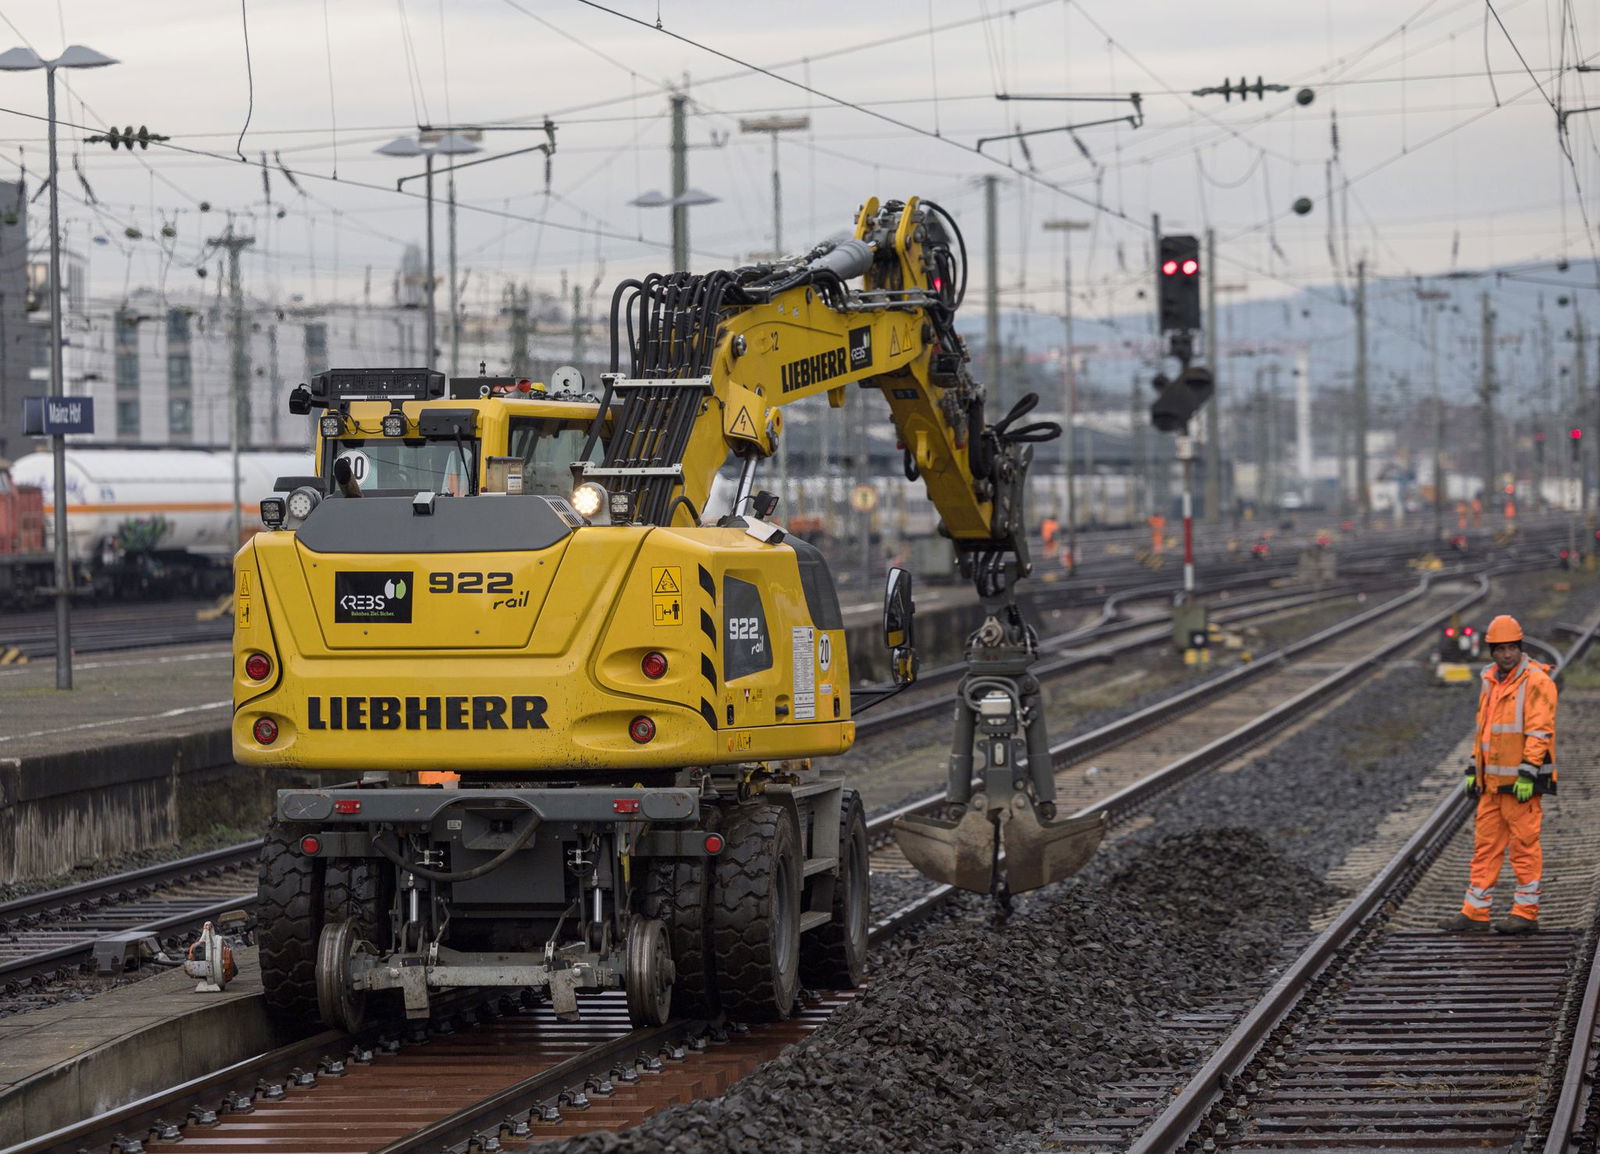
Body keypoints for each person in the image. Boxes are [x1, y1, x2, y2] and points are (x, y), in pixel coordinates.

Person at [1440, 614, 1557, 934]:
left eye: (1511, 648)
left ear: (1519, 648)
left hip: (1521, 784)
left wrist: (1528, 772)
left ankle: (1525, 913)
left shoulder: (1536, 680)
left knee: (1523, 847)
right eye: (1500, 648)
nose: (1506, 654)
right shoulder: (1491, 680)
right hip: (1491, 782)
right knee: (1485, 847)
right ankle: (1475, 912)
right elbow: (1485, 732)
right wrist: (1472, 767)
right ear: (1491, 651)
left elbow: (1539, 732)